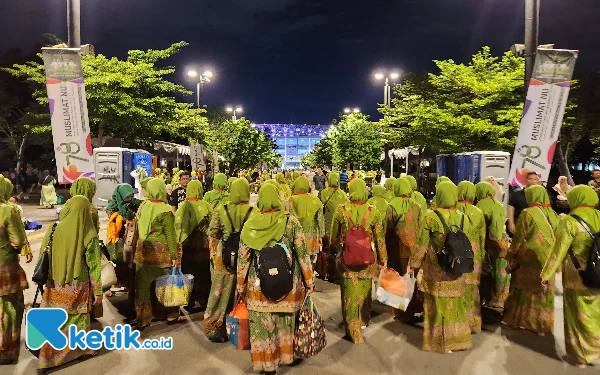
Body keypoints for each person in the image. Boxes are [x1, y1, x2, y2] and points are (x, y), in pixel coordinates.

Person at [237, 184, 314, 373]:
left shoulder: (251, 225)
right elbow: (302, 254)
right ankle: (285, 357)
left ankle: (267, 365)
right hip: (288, 285)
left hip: (259, 287)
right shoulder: (291, 222)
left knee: (262, 328)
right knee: (284, 325)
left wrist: (240, 286)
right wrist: (309, 281)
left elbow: (243, 259)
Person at [38, 196, 102, 369]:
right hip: (77, 284)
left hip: (54, 283)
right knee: (78, 317)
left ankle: (47, 357)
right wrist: (98, 291)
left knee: (55, 320)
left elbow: (43, 254)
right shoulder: (88, 234)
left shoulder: (53, 228)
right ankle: (81, 350)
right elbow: (94, 265)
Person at [408, 181, 472, 353]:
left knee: (436, 306)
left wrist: (413, 265)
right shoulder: (464, 218)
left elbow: (421, 245)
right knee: (455, 306)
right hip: (457, 270)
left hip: (436, 271)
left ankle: (439, 342)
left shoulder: (431, 217)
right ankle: (457, 341)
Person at [541, 185, 600, 367]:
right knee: (595, 313)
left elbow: (558, 251)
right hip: (598, 273)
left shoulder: (569, 221)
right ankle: (596, 347)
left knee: (577, 316)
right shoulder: (599, 216)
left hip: (577, 276)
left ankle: (582, 354)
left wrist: (546, 274)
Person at [330, 179, 387, 344]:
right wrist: (383, 259)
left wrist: (334, 254)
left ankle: (352, 329)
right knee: (364, 289)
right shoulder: (373, 212)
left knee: (349, 293)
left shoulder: (341, 211)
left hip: (347, 260)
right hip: (367, 259)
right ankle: (363, 320)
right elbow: (380, 240)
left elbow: (334, 238)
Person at [502, 185, 559, 336]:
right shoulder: (553, 213)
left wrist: (510, 255)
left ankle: (523, 320)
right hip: (549, 260)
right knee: (543, 289)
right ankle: (542, 324)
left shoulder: (528, 213)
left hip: (529, 258)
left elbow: (519, 238)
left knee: (525, 289)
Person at [206, 178, 256, 342]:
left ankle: (215, 326)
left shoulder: (222, 209)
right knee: (241, 289)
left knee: (220, 290)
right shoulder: (253, 211)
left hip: (223, 256)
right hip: (245, 256)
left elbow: (213, 232)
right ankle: (240, 326)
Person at [134, 179, 183, 329]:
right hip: (161, 254)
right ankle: (169, 314)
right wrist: (175, 256)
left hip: (143, 252)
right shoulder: (166, 210)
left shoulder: (143, 206)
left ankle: (143, 317)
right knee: (166, 284)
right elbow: (170, 235)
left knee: (143, 286)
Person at [0, 178, 29, 365]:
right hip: (5, 269)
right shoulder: (7, 210)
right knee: (9, 308)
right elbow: (18, 241)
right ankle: (5, 352)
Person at [386, 178, 422, 322]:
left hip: (398, 250)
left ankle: (402, 312)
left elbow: (388, 230)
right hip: (415, 250)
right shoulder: (416, 206)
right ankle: (415, 307)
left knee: (399, 280)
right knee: (412, 279)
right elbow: (420, 229)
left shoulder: (392, 206)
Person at [175, 180, 212, 310]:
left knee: (188, 273)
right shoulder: (207, 206)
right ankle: (204, 300)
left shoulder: (183, 206)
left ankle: (189, 302)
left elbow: (178, 227)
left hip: (188, 248)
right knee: (203, 274)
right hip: (204, 247)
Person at [457, 181, 486, 333]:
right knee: (471, 291)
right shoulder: (478, 212)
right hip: (472, 258)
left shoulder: (452, 210)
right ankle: (472, 323)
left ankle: (457, 322)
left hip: (455, 257)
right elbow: (482, 239)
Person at [476, 181, 511, 309]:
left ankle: (492, 298)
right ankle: (502, 298)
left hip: (490, 243)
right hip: (502, 240)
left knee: (490, 271)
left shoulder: (480, 205)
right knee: (502, 270)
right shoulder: (498, 204)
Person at [105, 183, 140, 298]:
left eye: (131, 196)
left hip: (128, 238)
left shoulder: (133, 203)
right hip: (116, 238)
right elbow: (113, 219)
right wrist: (126, 217)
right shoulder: (112, 205)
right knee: (115, 262)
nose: (129, 199)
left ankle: (126, 284)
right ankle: (109, 285)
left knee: (127, 263)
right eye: (127, 197)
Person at [319, 172, 348, 281]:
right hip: (339, 228)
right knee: (338, 250)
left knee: (327, 250)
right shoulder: (343, 195)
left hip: (327, 226)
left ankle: (326, 271)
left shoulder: (323, 193)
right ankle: (336, 273)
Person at [289, 176, 325, 265]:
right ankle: (310, 276)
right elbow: (320, 220)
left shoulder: (291, 200)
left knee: (298, 262)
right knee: (311, 261)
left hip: (296, 237)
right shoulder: (316, 200)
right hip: (312, 237)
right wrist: (321, 235)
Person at [508, 171, 541, 235]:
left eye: (535, 179)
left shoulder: (540, 195)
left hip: (535, 226)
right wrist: (511, 223)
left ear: (538, 181)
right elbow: (511, 207)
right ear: (526, 180)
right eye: (530, 179)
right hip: (519, 224)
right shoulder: (516, 193)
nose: (533, 181)